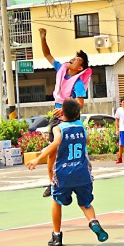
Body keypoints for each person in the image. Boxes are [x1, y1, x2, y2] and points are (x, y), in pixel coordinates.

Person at [26, 98, 108, 246]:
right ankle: (93, 221)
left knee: (57, 201)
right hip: (83, 172)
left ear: (62, 112)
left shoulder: (59, 128)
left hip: (64, 173)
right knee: (86, 204)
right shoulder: (81, 127)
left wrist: (38, 159)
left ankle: (56, 236)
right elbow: (87, 142)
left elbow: (56, 142)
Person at [40, 27, 92, 198]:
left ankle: (80, 178)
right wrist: (43, 38)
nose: (72, 59)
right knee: (52, 151)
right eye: (73, 57)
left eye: (77, 59)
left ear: (80, 68)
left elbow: (81, 103)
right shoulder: (61, 71)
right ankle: (51, 182)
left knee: (72, 153)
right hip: (57, 119)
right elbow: (48, 55)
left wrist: (64, 108)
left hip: (70, 121)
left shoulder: (77, 83)